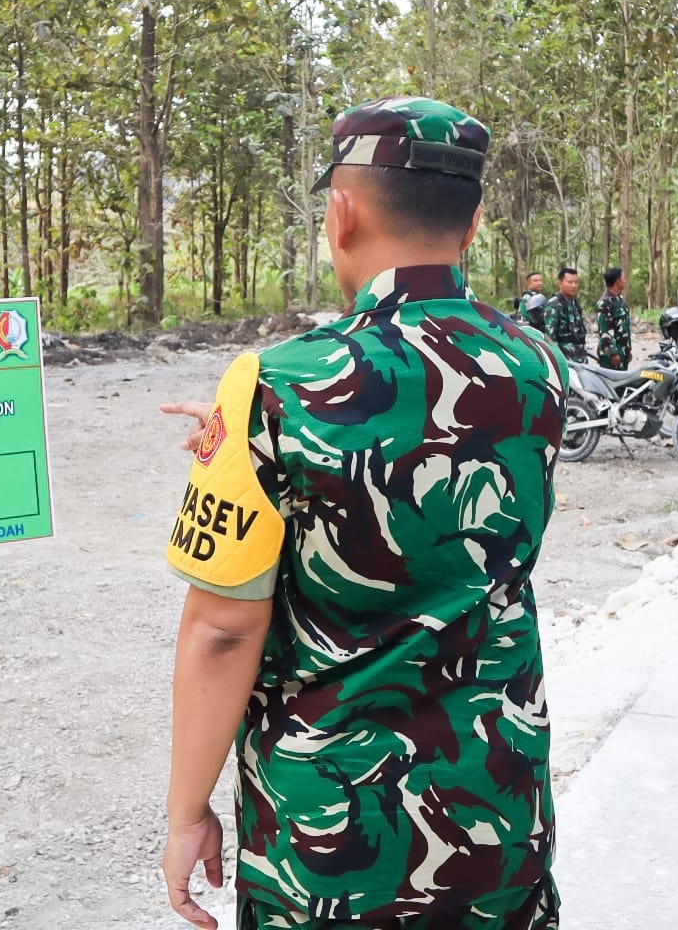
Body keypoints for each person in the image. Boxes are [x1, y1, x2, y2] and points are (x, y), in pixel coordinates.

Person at [158, 95, 564, 930]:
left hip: (333, 844)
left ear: (341, 213)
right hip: (498, 808)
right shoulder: (537, 363)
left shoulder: (275, 385)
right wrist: (244, 438)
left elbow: (222, 630)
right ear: (474, 222)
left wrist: (186, 810)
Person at [595, 266, 632, 368]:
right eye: (623, 278)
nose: (625, 281)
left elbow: (625, 328)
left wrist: (628, 350)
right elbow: (605, 331)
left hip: (622, 351)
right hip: (611, 356)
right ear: (617, 281)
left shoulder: (619, 300)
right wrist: (613, 353)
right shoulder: (604, 303)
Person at [547, 265, 587, 361]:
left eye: (576, 282)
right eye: (570, 282)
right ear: (560, 283)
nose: (574, 285)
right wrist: (557, 360)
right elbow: (550, 337)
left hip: (580, 356)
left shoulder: (575, 303)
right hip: (564, 359)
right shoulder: (554, 304)